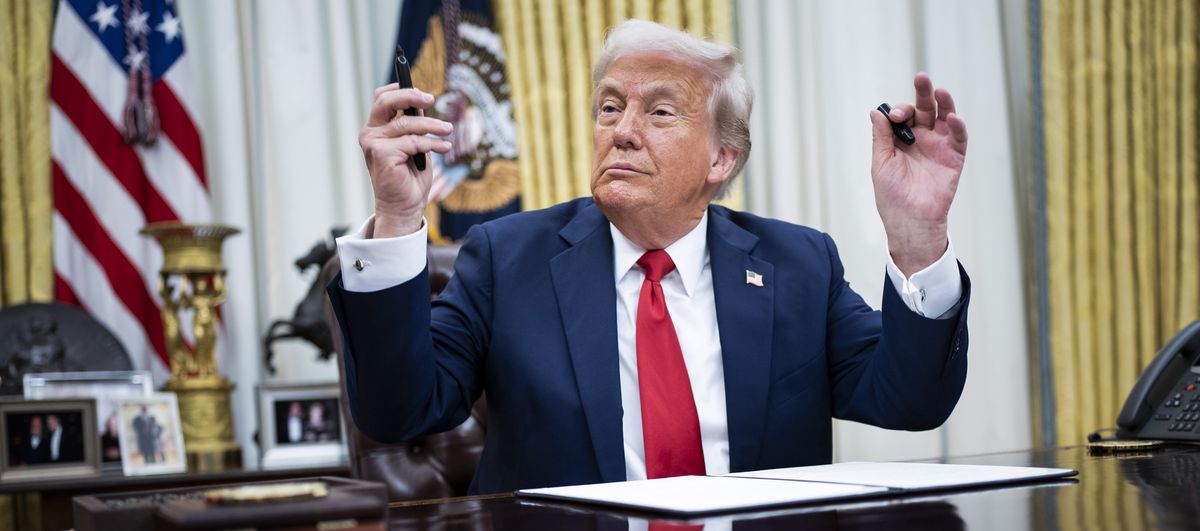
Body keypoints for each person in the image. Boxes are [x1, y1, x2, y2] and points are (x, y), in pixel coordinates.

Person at [328, 20, 971, 494]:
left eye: (660, 111)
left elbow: (910, 401)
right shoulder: (506, 259)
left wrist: (917, 238)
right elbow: (398, 412)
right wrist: (398, 217)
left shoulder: (799, 265)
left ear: (721, 159)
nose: (622, 130)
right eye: (610, 107)